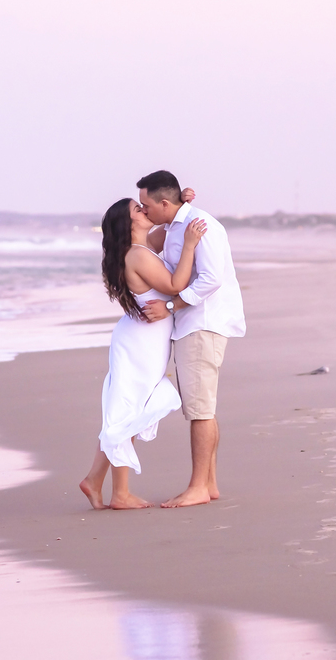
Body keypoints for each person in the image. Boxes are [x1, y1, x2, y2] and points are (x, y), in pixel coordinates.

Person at [80, 195, 207, 510]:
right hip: (140, 342)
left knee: (126, 407)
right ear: (129, 222)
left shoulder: (143, 246)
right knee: (128, 409)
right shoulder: (137, 254)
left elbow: (169, 225)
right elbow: (177, 284)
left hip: (143, 339)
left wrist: (183, 201)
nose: (144, 208)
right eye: (138, 209)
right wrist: (190, 246)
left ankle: (95, 480)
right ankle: (118, 493)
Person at [138, 170, 245, 508]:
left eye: (146, 205)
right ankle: (208, 483)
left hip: (202, 323)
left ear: (165, 203)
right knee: (202, 407)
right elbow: (144, 242)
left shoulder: (200, 225)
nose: (143, 211)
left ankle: (198, 486)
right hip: (192, 323)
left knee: (199, 409)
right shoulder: (174, 227)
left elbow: (211, 279)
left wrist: (171, 305)